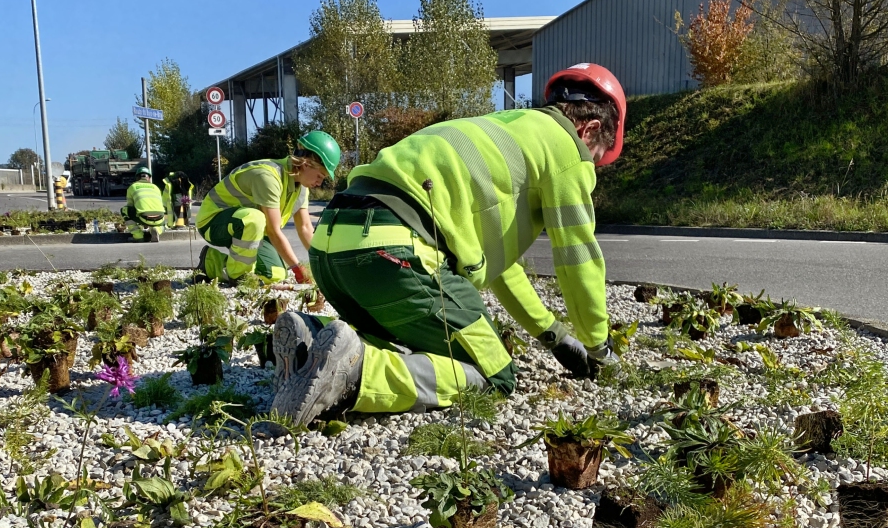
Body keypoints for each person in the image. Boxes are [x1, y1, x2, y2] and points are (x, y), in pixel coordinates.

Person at [272, 62, 626, 426]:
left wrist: (555, 336)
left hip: (334, 248)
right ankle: (360, 372)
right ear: (589, 129)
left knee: (417, 346)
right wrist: (598, 346)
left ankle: (310, 342)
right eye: (597, 158)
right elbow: (577, 257)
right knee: (495, 375)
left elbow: (503, 270)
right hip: (391, 255)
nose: (591, 169)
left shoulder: (507, 130)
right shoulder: (567, 150)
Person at [195, 131, 341, 285]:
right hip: (214, 222)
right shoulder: (268, 176)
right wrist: (298, 269)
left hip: (250, 230)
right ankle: (239, 277)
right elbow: (273, 231)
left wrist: (324, 265)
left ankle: (211, 262)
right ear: (306, 164)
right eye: (320, 176)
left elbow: (305, 228)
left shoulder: (301, 187)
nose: (319, 183)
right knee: (254, 218)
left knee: (275, 274)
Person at [121, 165, 165, 242]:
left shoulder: (132, 187)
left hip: (144, 217)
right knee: (162, 221)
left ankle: (138, 235)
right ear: (149, 178)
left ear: (137, 177)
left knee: (125, 210)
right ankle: (157, 229)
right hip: (160, 217)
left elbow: (130, 206)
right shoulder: (156, 187)